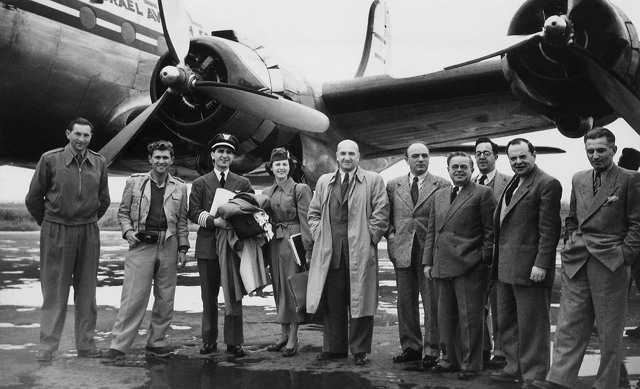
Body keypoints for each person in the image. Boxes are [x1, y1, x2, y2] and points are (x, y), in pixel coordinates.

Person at [533, 128, 640, 389]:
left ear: (613, 150)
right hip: (577, 260)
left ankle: (606, 384)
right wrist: (571, 241)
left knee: (609, 331)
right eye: (590, 150)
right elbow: (572, 218)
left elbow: (637, 225)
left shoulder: (630, 179)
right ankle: (559, 381)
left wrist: (624, 255)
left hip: (610, 261)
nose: (595, 155)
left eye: (601, 150)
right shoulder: (579, 178)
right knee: (569, 325)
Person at [25, 117, 110, 362]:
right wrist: (51, 222)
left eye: (86, 135)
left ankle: (86, 344)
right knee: (54, 290)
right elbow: (33, 198)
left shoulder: (99, 162)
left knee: (87, 291)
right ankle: (47, 346)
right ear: (68, 134)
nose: (81, 140)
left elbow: (103, 199)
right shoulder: (50, 159)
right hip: (56, 229)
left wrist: (87, 219)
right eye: (77, 134)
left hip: (87, 231)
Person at [101, 141, 189, 363]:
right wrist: (128, 231)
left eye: (165, 158)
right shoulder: (134, 182)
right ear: (150, 159)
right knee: (133, 297)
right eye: (157, 157)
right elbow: (122, 213)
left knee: (165, 299)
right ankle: (118, 347)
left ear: (172, 160)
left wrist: (183, 248)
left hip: (168, 244)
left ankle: (156, 344)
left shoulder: (180, 187)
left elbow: (181, 222)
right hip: (140, 245)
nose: (161, 161)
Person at [307, 139, 390, 366]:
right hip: (331, 254)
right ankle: (334, 348)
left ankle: (360, 350)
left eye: (351, 154)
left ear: (358, 156)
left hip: (360, 252)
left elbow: (381, 213)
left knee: (361, 301)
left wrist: (370, 238)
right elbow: (313, 213)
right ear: (336, 156)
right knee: (333, 302)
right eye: (343, 153)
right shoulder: (325, 182)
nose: (346, 158)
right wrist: (319, 234)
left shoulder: (373, 180)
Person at [490, 138, 562, 388]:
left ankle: (534, 375)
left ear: (534, 155)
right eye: (513, 158)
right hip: (505, 267)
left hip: (531, 269)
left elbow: (549, 229)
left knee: (533, 326)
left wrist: (542, 264)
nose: (518, 162)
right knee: (507, 322)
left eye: (523, 157)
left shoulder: (547, 184)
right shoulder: (513, 181)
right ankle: (514, 366)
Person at [423, 152, 495, 380]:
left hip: (469, 265)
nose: (459, 170)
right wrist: (428, 262)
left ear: (472, 170)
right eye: (455, 167)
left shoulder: (483, 193)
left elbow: (490, 232)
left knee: (470, 319)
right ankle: (447, 359)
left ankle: (470, 365)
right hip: (442, 265)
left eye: (464, 166)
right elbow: (433, 231)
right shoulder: (440, 195)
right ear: (448, 170)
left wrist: (482, 257)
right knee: (444, 317)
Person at [188, 133, 253, 358]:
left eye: (229, 152)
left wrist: (234, 216)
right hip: (207, 245)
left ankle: (234, 342)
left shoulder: (243, 182)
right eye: (220, 151)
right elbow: (193, 212)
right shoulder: (199, 183)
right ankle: (209, 340)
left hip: (232, 245)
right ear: (213, 155)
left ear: (233, 156)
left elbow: (250, 208)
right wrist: (214, 220)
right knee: (208, 296)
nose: (224, 156)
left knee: (233, 295)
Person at [385, 142, 449, 367]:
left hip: (429, 251)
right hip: (402, 249)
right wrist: (391, 238)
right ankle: (411, 346)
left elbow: (445, 219)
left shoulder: (442, 184)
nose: (420, 159)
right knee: (405, 300)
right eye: (415, 156)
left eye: (425, 155)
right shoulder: (393, 185)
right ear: (406, 159)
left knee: (432, 301)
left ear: (430, 158)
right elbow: (386, 216)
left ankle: (432, 349)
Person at [262, 148, 313, 357]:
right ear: (271, 168)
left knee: (293, 288)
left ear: (290, 167)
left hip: (293, 241)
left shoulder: (300, 189)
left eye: (284, 164)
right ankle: (283, 335)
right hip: (274, 241)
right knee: (279, 287)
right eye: (277, 164)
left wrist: (308, 249)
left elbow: (307, 221)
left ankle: (293, 337)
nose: (281, 167)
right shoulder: (267, 193)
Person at [473, 137, 511, 368]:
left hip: (500, 253)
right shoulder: (469, 182)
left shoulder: (509, 182)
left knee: (500, 305)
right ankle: (483, 348)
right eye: (478, 153)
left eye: (487, 153)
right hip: (475, 253)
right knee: (477, 304)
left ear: (496, 157)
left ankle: (501, 351)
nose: (482, 157)